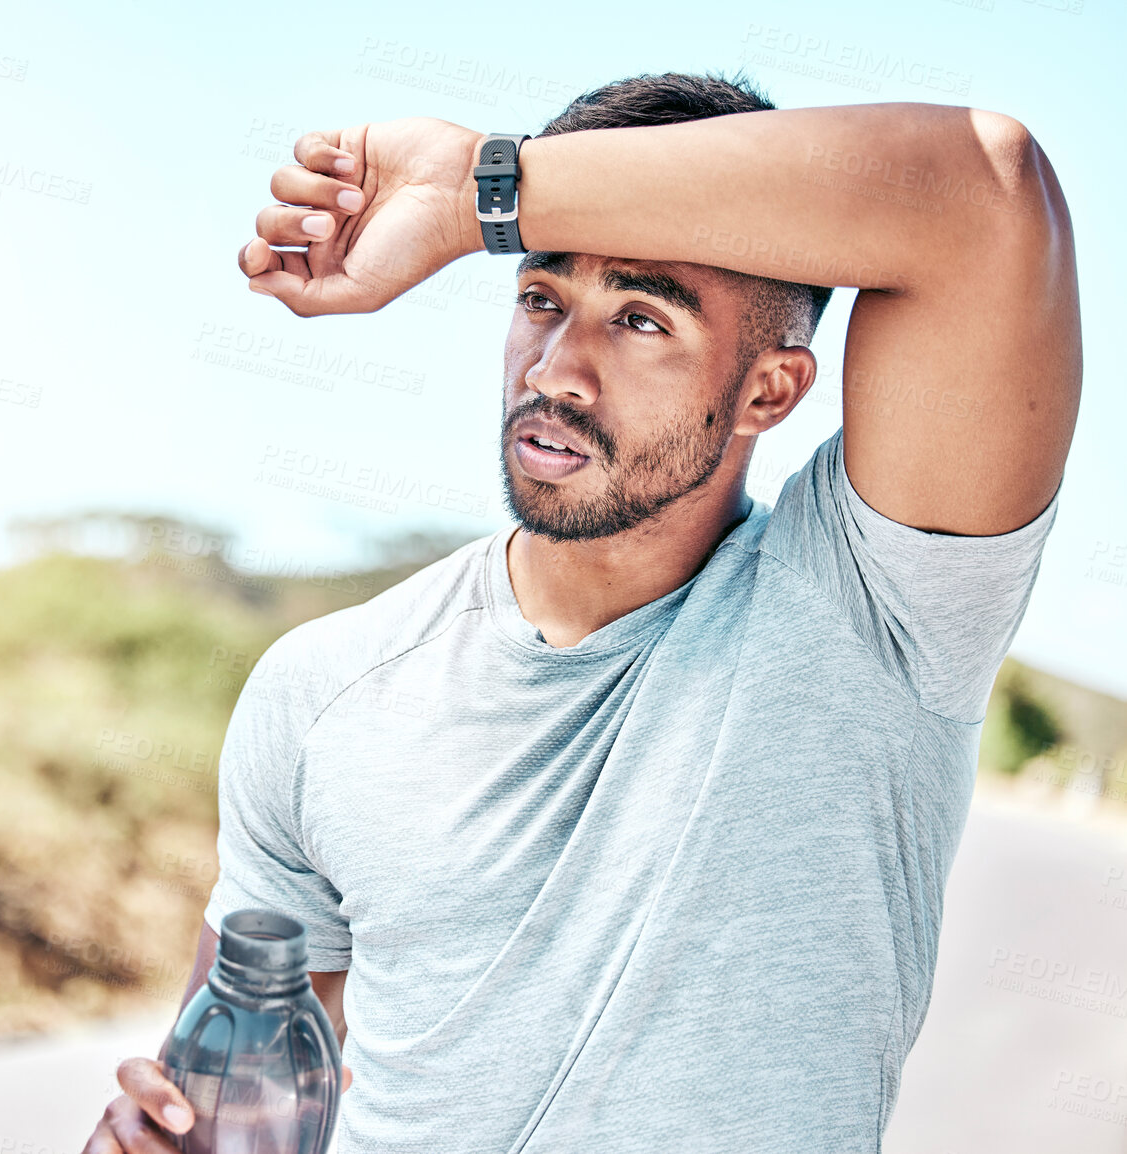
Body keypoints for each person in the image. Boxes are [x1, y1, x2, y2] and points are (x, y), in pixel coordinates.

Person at [81, 72, 1078, 1153]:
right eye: (542, 299)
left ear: (771, 391)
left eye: (641, 319)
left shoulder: (874, 614)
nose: (558, 370)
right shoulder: (322, 686)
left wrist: (480, 189)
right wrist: (162, 1131)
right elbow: (248, 1082)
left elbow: (987, 194)